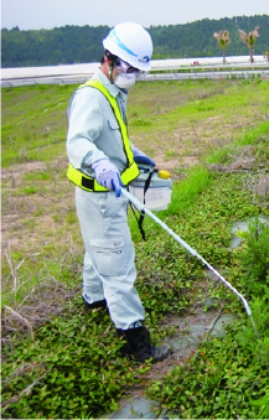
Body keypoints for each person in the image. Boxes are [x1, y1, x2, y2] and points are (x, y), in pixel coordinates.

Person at [66, 22, 170, 363]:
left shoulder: (113, 93)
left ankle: (94, 303)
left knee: (97, 250)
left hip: (105, 196)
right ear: (111, 60)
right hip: (100, 196)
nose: (134, 76)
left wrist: (133, 155)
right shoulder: (92, 97)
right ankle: (137, 343)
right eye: (131, 69)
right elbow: (78, 142)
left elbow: (113, 138)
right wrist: (99, 163)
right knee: (118, 263)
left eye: (139, 71)